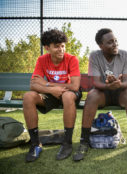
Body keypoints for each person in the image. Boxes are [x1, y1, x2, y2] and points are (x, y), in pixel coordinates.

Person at [73, 28, 127, 162]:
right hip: (103, 93)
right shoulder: (95, 55)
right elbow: (96, 83)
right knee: (91, 95)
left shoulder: (125, 55)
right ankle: (84, 141)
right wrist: (109, 85)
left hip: (121, 93)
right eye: (110, 42)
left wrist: (118, 84)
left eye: (115, 41)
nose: (115, 44)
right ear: (101, 46)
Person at [23, 29, 82, 162]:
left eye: (62, 46)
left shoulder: (72, 59)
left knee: (67, 96)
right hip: (52, 93)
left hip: (69, 93)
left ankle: (67, 143)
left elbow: (74, 86)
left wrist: (46, 84)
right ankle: (35, 144)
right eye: (56, 46)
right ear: (46, 48)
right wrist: (50, 89)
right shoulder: (42, 60)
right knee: (28, 96)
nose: (61, 49)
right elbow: (33, 85)